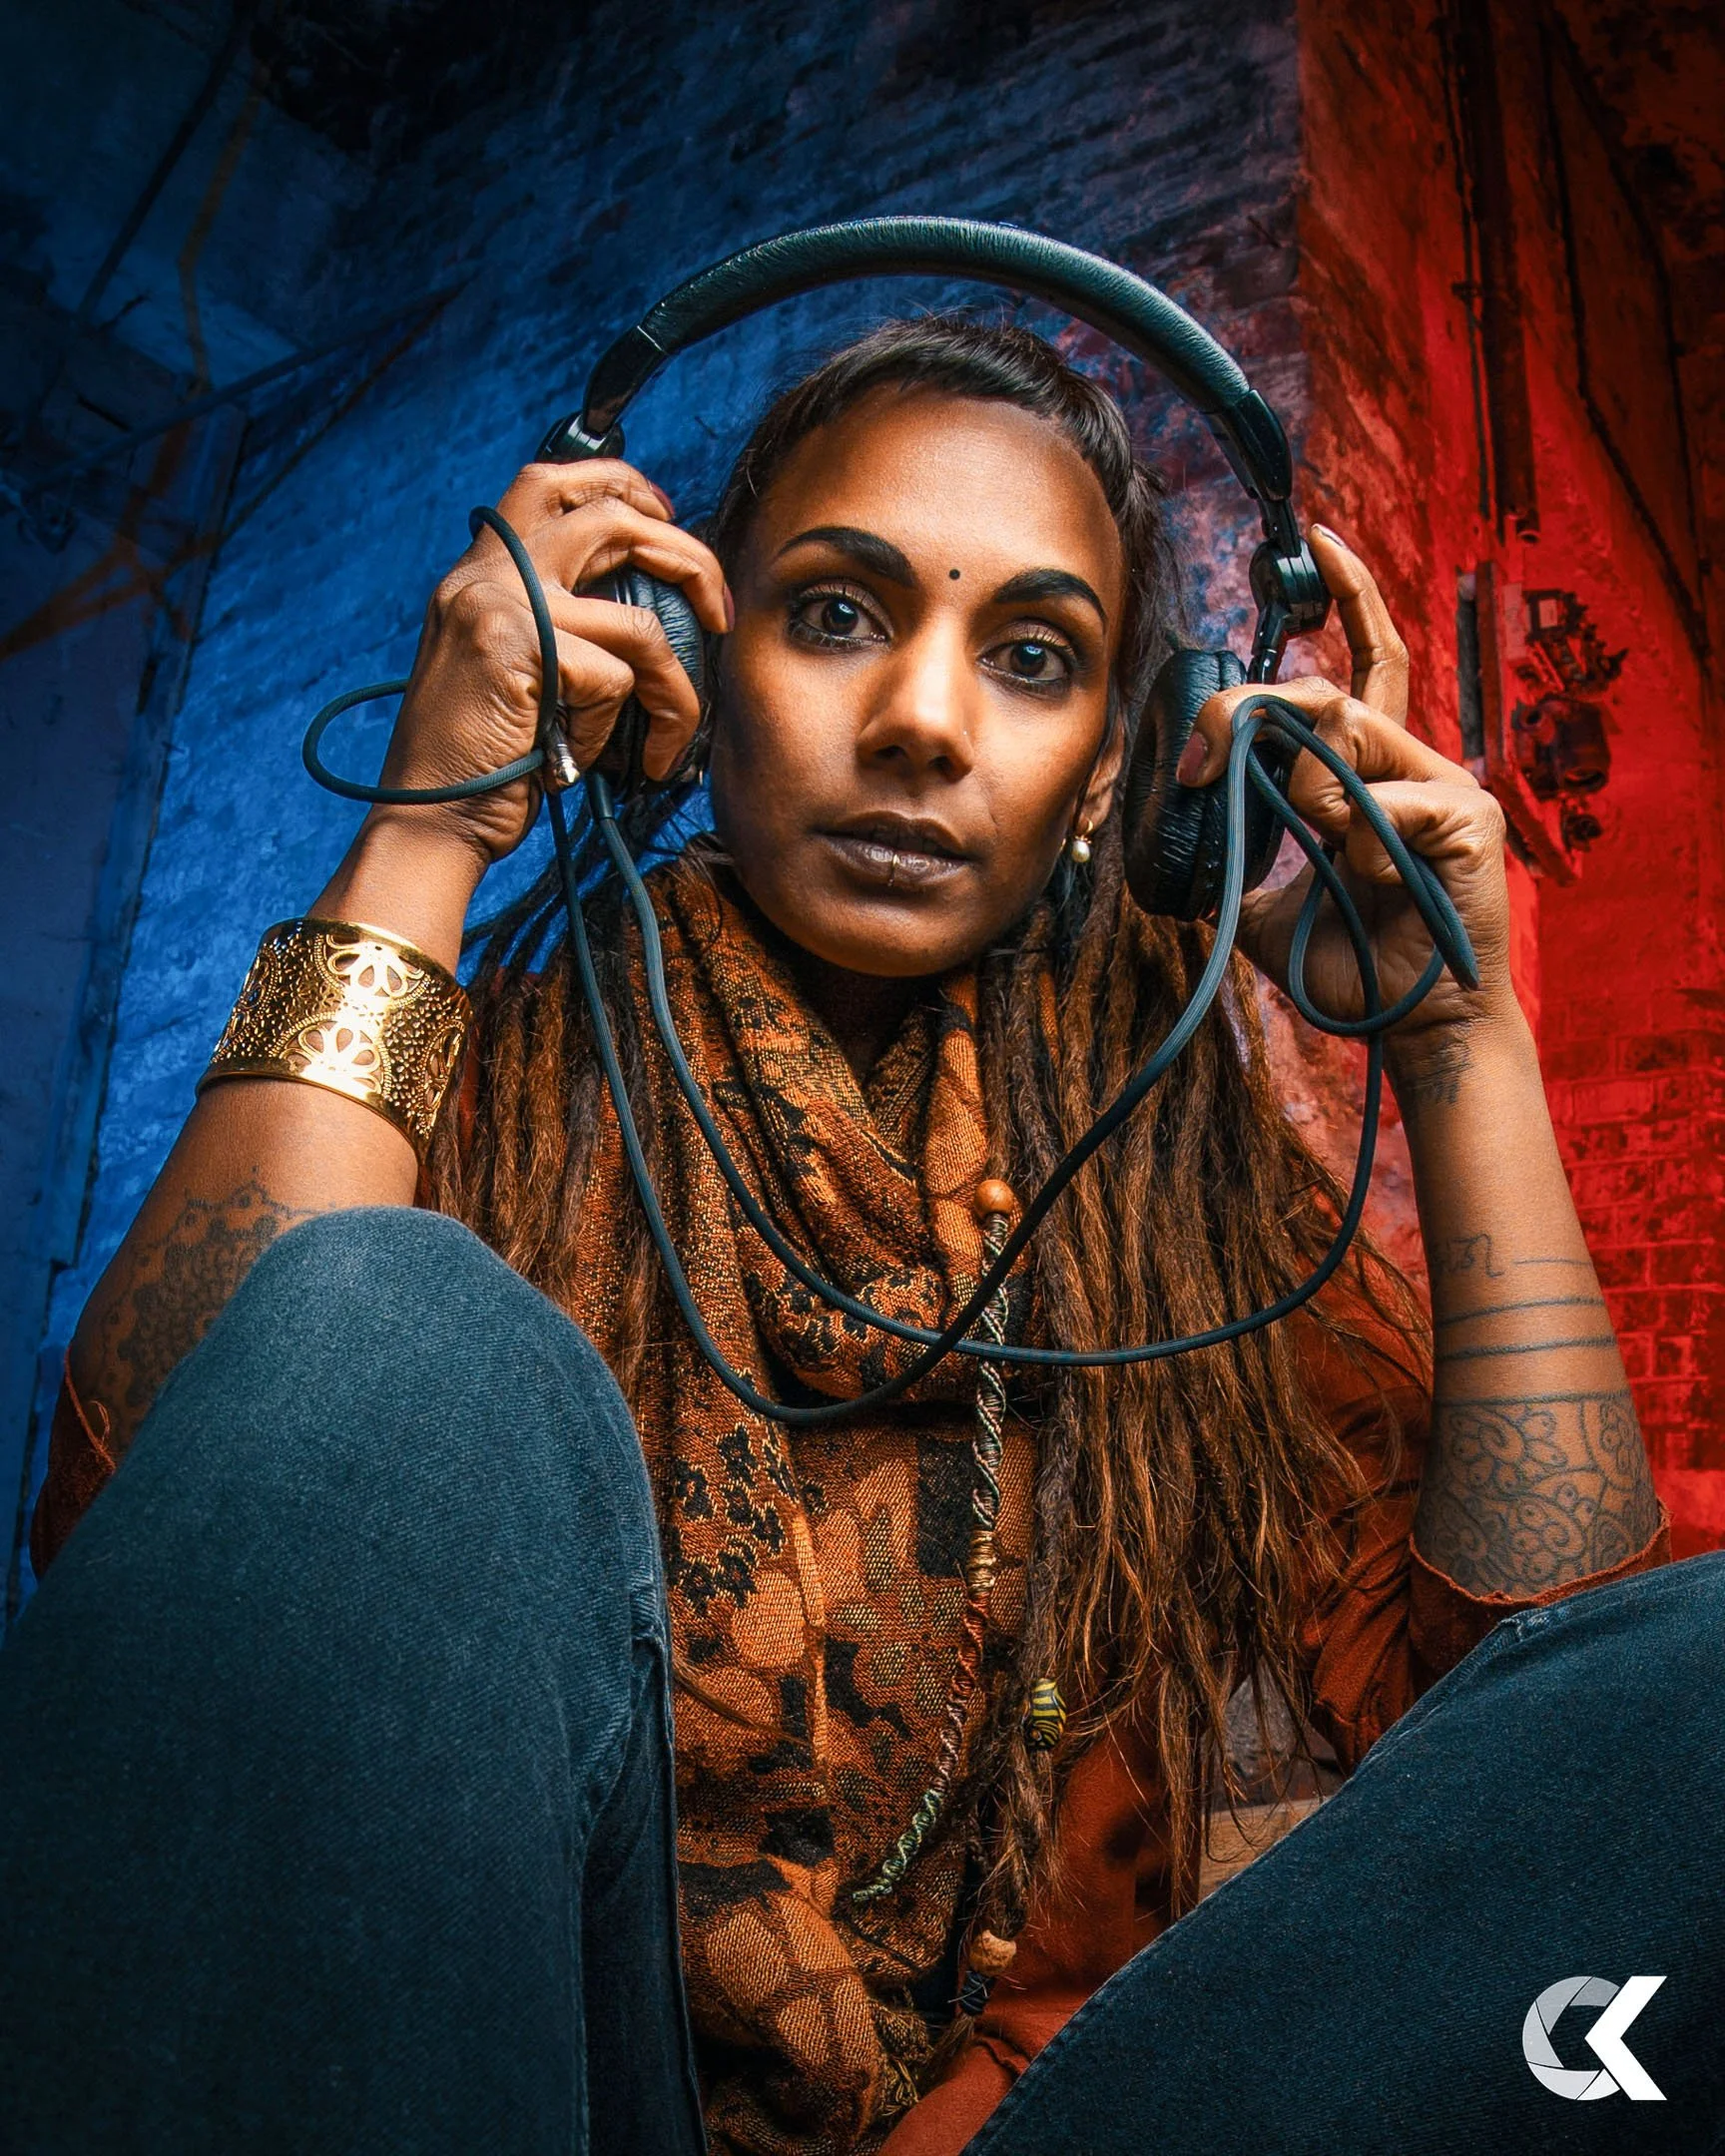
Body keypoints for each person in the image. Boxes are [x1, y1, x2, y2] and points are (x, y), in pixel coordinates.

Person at [2, 317, 1716, 2156]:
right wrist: (437, 827)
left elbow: (1550, 1745)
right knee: (386, 1321)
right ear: (691, 663)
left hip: (1062, 2117)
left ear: (1116, 788)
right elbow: (168, 1542)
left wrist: (1461, 1041)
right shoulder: (474, 1088)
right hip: (539, 2085)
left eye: (1034, 657)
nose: (921, 717)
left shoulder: (1184, 1216)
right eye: (834, 613)